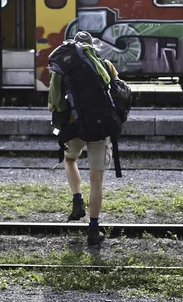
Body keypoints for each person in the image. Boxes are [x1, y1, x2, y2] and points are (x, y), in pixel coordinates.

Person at [47, 31, 119, 245]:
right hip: (101, 128)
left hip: (74, 126)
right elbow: (118, 92)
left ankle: (77, 201)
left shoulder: (62, 68)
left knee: (70, 159)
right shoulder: (105, 65)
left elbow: (53, 105)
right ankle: (94, 229)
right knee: (96, 180)